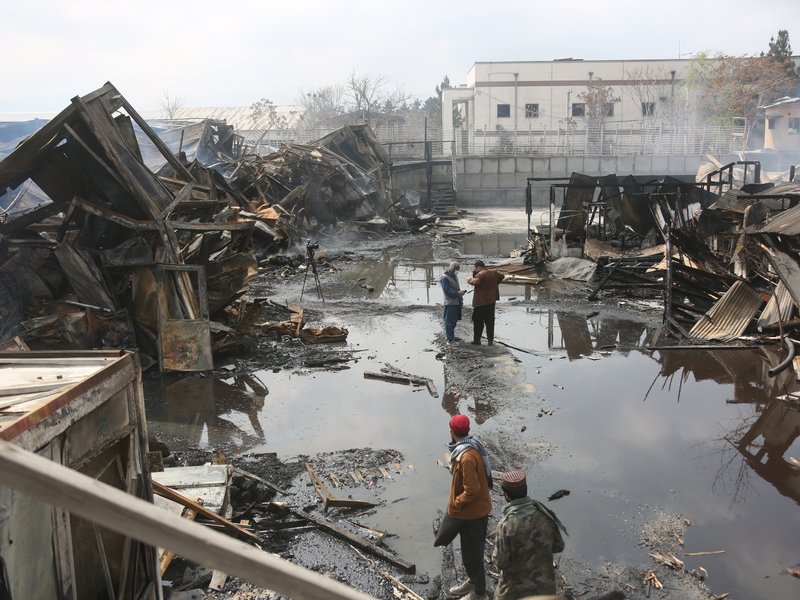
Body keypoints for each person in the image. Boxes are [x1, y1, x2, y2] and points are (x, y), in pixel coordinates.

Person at [434, 414, 492, 600]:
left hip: (473, 514)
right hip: (471, 512)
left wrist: (456, 503)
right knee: (469, 553)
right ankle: (472, 582)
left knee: (474, 555)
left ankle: (479, 593)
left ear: (452, 432)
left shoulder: (466, 457)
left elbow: (472, 490)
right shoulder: (469, 446)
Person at [492, 471, 567, 600]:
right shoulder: (545, 513)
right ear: (525, 490)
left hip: (514, 592)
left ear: (506, 495)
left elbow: (500, 562)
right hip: (545, 590)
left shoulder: (506, 525)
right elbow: (558, 546)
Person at [466, 260, 505, 345]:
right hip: (491, 301)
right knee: (490, 321)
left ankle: (477, 340)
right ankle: (490, 340)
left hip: (481, 302)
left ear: (477, 267)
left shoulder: (481, 274)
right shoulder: (494, 272)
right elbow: (502, 276)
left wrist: (469, 280)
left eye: (475, 268)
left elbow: (476, 282)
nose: (475, 270)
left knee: (478, 321)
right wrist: (495, 284)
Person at [440, 262, 466, 343]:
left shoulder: (455, 276)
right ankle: (450, 339)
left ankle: (452, 336)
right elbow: (446, 291)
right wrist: (458, 293)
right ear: (452, 269)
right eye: (456, 270)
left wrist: (461, 300)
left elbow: (458, 288)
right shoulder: (444, 278)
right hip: (450, 302)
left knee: (454, 320)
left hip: (457, 301)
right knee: (449, 321)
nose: (457, 272)